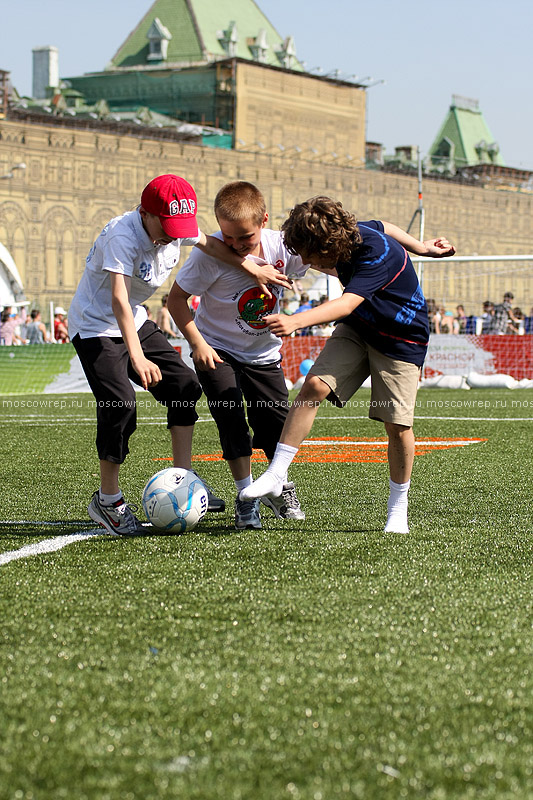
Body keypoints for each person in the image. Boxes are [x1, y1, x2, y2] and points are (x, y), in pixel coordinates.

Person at [68, 174, 291, 537]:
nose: (175, 233)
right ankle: (107, 501)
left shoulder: (176, 224)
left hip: (134, 319)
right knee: (119, 403)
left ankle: (181, 481)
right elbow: (119, 301)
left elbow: (210, 245)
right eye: (168, 226)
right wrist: (137, 358)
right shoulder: (122, 237)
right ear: (146, 213)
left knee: (185, 387)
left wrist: (249, 265)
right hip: (96, 327)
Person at [241, 195, 456, 534]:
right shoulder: (357, 232)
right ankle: (277, 472)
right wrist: (423, 248)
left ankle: (398, 509)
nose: (306, 261)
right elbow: (386, 225)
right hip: (360, 327)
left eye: (309, 255)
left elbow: (345, 304)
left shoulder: (375, 256)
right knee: (312, 386)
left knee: (397, 425)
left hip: (401, 340)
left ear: (329, 247)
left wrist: (297, 321)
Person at [167, 180, 310, 530]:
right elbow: (175, 301)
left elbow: (326, 265)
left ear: (264, 220)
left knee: (275, 426)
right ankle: (246, 498)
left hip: (264, 354)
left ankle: (279, 484)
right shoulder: (207, 255)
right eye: (227, 237)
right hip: (216, 349)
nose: (235, 246)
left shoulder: (285, 248)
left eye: (244, 238)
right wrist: (198, 343)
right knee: (230, 419)